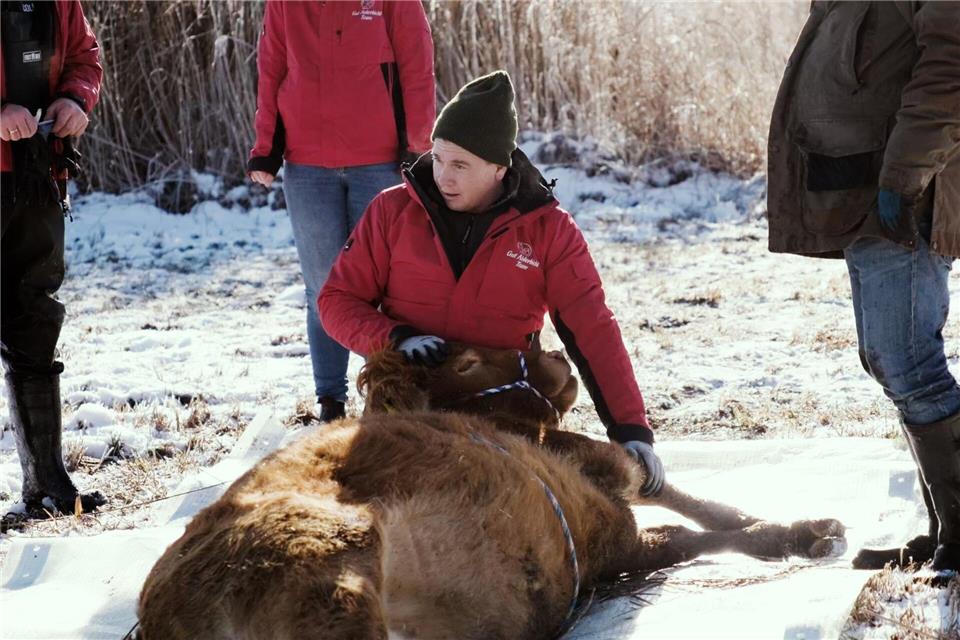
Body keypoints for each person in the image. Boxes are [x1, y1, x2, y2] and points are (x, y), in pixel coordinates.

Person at [319, 71, 665, 496]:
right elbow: (336, 299)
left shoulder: (549, 231)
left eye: (460, 165)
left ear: (500, 167)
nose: (443, 176)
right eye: (439, 158)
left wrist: (630, 428)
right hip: (412, 397)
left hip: (505, 402)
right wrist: (394, 337)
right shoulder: (391, 211)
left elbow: (592, 328)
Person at [767, 2, 960, 571]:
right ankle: (946, 530)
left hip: (904, 191)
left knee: (908, 363)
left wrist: (905, 174)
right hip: (864, 189)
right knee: (889, 359)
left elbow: (952, 63)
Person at [248, 0, 436, 423]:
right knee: (323, 288)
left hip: (380, 162)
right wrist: (266, 149)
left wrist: (417, 145)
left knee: (388, 287)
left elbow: (417, 62)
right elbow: (272, 67)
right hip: (308, 166)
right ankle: (330, 400)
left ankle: (392, 391)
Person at [1, 0, 105, 516]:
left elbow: (86, 56)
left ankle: (46, 482)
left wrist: (75, 100)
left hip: (41, 171)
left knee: (36, 317)